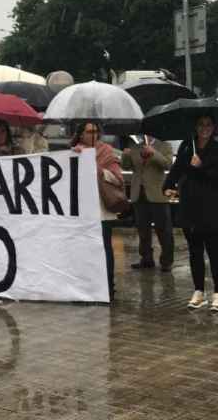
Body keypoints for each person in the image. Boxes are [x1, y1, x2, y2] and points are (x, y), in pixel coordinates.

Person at [163, 115, 218, 312]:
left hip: (212, 207)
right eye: (201, 124)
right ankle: (199, 291)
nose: (204, 128)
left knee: (214, 251)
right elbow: (177, 170)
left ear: (214, 127)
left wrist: (200, 167)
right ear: (195, 126)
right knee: (195, 251)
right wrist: (167, 185)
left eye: (208, 125)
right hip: (189, 206)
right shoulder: (186, 146)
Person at [71, 120, 121, 301]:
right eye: (88, 131)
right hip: (82, 211)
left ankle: (108, 287)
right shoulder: (74, 150)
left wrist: (98, 169)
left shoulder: (106, 151)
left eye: (95, 131)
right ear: (81, 134)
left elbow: (117, 179)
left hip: (101, 210)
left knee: (104, 249)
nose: (93, 135)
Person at [121, 135, 174, 272]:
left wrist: (154, 153)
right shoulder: (135, 145)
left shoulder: (164, 144)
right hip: (138, 194)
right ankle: (146, 259)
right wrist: (125, 156)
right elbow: (126, 166)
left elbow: (168, 164)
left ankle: (166, 261)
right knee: (142, 230)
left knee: (164, 230)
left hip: (157, 194)